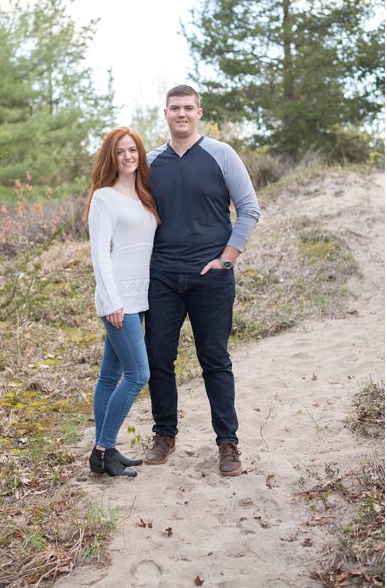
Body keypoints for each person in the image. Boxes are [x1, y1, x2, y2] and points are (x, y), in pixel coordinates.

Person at [143, 84, 260, 477]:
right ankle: (164, 435)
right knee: (158, 357)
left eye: (188, 108)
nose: (181, 113)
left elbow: (248, 209)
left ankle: (228, 443)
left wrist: (226, 260)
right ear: (165, 114)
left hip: (211, 276)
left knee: (214, 359)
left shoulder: (221, 154)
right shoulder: (149, 162)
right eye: (175, 108)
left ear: (198, 112)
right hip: (160, 275)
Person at [86, 127, 159, 478]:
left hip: (140, 297)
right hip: (118, 301)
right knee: (137, 375)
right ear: (111, 158)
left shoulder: (144, 195)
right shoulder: (104, 198)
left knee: (109, 375)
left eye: (133, 150)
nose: (128, 156)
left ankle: (103, 454)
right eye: (120, 152)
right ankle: (103, 447)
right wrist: (112, 300)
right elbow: (99, 252)